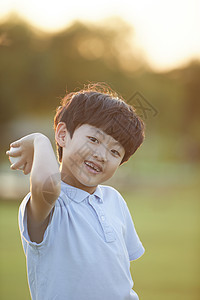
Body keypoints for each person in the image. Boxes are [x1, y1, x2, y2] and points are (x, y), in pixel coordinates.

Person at [6, 83, 145, 300]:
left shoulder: (114, 200)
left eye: (115, 151)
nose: (101, 155)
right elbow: (47, 185)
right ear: (62, 135)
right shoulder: (50, 204)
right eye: (93, 139)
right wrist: (39, 140)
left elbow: (117, 275)